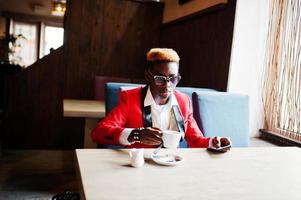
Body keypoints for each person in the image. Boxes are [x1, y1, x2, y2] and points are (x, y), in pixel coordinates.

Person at [91, 48, 231, 150]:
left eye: (173, 78)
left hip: (173, 167)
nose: (167, 85)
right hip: (140, 167)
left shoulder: (183, 101)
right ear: (147, 76)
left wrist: (213, 142)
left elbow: (195, 139)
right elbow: (99, 132)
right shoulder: (130, 98)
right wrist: (136, 134)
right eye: (160, 79)